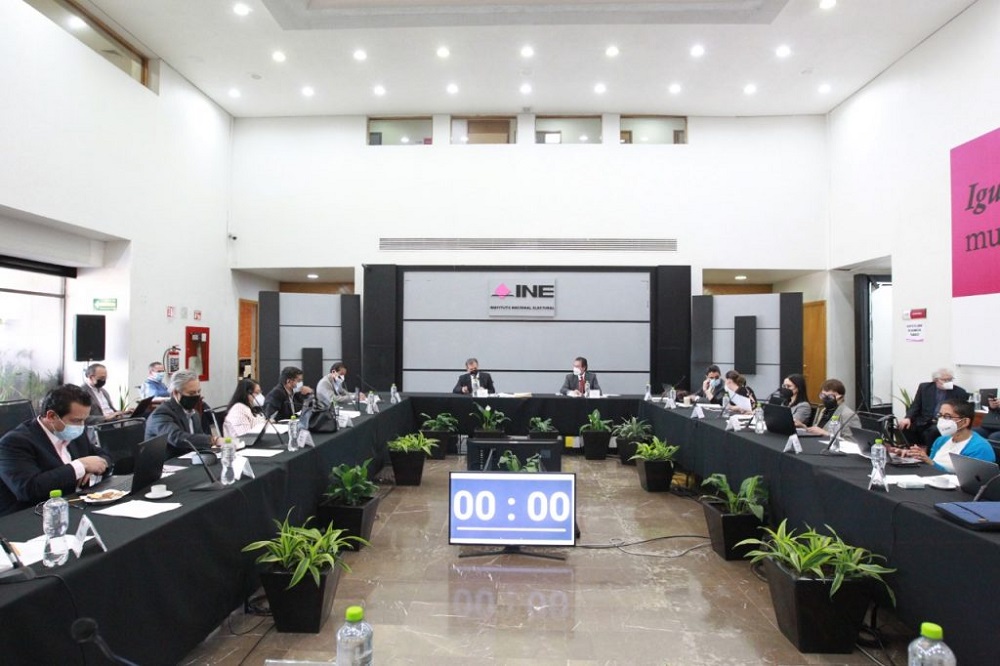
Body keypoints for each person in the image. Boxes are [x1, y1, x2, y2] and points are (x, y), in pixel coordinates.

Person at [0, 384, 112, 515]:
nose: (81, 426)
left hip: (73, 506)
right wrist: (81, 466)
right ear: (51, 416)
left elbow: (103, 455)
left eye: (84, 420)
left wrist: (100, 463)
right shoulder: (14, 442)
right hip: (30, 515)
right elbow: (28, 489)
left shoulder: (74, 433)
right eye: (76, 421)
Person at [893, 399, 995, 472]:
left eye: (947, 417)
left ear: (964, 422)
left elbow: (970, 480)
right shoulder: (941, 440)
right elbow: (932, 466)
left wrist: (930, 462)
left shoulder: (980, 448)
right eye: (940, 415)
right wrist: (915, 456)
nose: (941, 420)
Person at [145, 370, 219, 458]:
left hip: (190, 461)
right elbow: (177, 438)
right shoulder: (161, 414)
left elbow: (199, 440)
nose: (197, 396)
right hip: (167, 463)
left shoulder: (194, 414)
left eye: (198, 391)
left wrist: (217, 448)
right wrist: (214, 440)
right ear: (176, 393)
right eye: (191, 393)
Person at [899, 368, 969, 449]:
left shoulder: (960, 392)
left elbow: (961, 412)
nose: (948, 382)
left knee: (932, 432)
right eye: (945, 380)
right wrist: (908, 418)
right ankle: (911, 450)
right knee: (905, 426)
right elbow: (916, 405)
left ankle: (930, 454)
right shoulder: (924, 388)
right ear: (936, 380)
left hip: (944, 422)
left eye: (950, 379)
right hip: (924, 420)